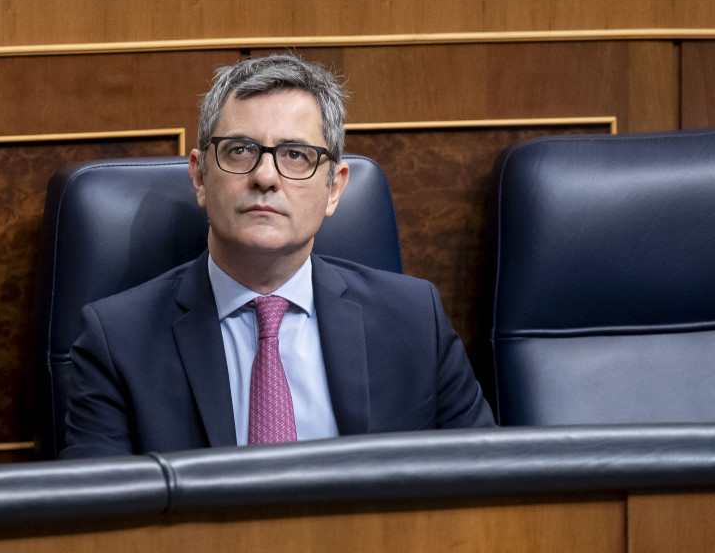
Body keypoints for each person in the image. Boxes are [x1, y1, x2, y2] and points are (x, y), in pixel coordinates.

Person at [61, 53, 494, 459]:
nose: (265, 176)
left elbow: (488, 484)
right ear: (199, 176)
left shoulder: (415, 320)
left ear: (334, 188)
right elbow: (97, 525)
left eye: (295, 154)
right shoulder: (117, 342)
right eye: (240, 150)